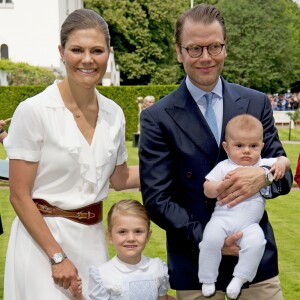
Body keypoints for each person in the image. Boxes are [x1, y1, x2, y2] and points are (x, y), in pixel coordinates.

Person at [139, 3, 292, 300]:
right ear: (179, 51)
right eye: (195, 49)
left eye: (214, 47)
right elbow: (157, 198)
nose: (206, 57)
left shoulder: (256, 102)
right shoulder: (157, 117)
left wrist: (262, 176)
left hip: (255, 267)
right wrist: (210, 240)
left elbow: (283, 177)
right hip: (195, 267)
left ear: (226, 47)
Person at [3, 9, 139, 300]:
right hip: (42, 244)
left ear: (108, 53)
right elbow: (18, 195)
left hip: (93, 241)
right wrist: (56, 256)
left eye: (97, 50)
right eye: (77, 50)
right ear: (61, 52)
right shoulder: (34, 111)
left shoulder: (114, 114)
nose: (87, 59)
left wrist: (178, 165)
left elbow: (120, 177)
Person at [199, 114, 290, 299]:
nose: (247, 151)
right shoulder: (224, 167)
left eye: (253, 146)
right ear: (226, 147)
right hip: (222, 220)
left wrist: (282, 163)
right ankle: (207, 278)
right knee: (209, 240)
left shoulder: (262, 164)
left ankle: (240, 278)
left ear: (262, 147)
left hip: (250, 225)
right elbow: (207, 188)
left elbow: (284, 161)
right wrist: (218, 187)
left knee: (257, 243)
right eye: (239, 146)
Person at [70, 199, 175, 300]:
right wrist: (78, 297)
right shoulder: (103, 275)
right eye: (122, 232)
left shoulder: (157, 268)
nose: (131, 238)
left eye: (138, 231)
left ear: (148, 235)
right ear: (110, 236)